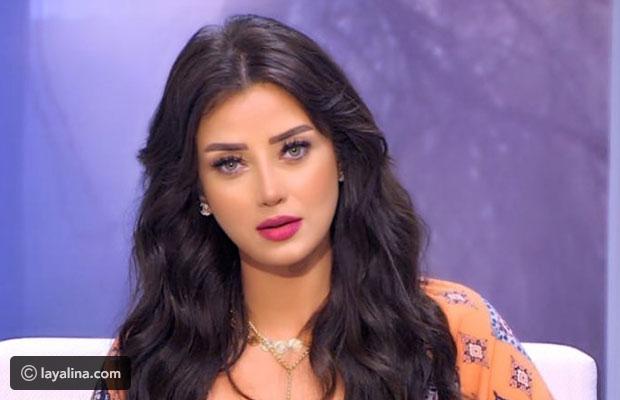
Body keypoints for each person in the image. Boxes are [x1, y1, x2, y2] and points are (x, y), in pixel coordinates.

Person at [92, 14, 553, 400]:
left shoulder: (455, 332)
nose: (269, 191)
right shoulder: (145, 359)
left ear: (342, 157)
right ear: (198, 190)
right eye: (230, 163)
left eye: (293, 149)